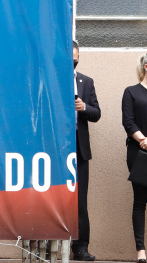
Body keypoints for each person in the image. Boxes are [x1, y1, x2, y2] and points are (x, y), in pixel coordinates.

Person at [73, 40, 100, 261]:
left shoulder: (86, 82)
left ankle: (80, 246)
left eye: (76, 59)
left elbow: (97, 113)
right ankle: (46, 243)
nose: (73, 63)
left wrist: (84, 108)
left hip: (79, 147)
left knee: (80, 199)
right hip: (54, 147)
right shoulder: (50, 79)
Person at [122, 52, 147, 263]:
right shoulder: (131, 92)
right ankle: (141, 251)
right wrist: (143, 140)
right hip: (139, 152)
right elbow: (128, 122)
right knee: (140, 202)